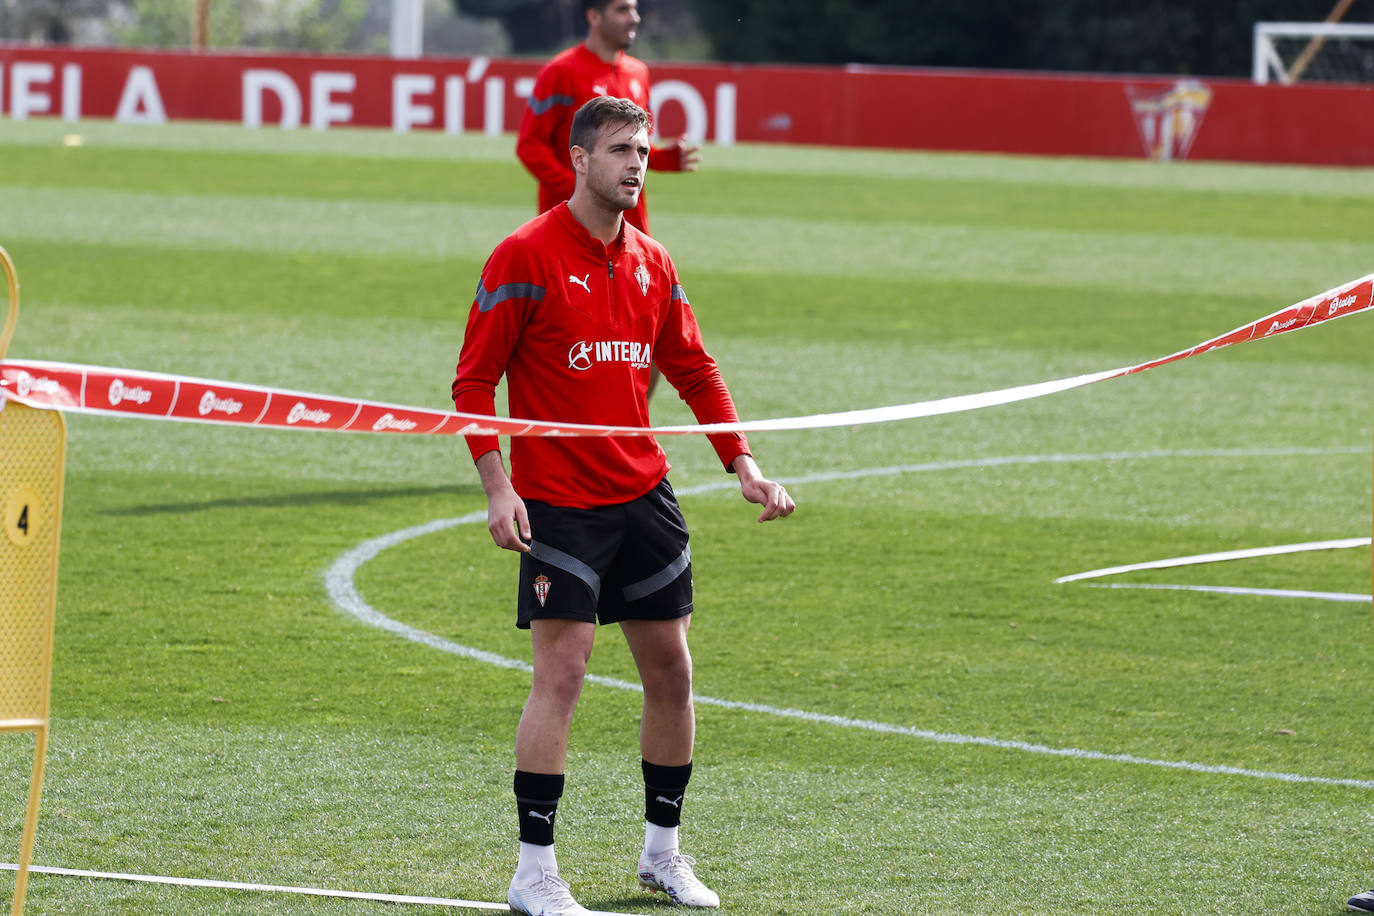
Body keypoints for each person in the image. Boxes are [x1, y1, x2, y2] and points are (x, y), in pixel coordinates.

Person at [453, 96, 794, 915]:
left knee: (672, 673)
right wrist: (498, 487)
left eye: (642, 149)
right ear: (578, 160)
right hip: (559, 504)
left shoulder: (653, 260)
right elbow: (473, 381)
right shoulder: (522, 256)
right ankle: (534, 873)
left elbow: (696, 370)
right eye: (618, 150)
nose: (636, 163)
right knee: (562, 674)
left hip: (643, 491)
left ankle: (662, 856)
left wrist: (742, 464)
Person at [515, 0, 700, 237]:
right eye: (622, 9)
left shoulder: (638, 72)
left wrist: (661, 159)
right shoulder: (560, 71)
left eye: (634, 9)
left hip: (628, 229)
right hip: (571, 226)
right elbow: (530, 146)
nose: (635, 18)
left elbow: (624, 147)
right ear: (594, 17)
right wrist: (579, 186)